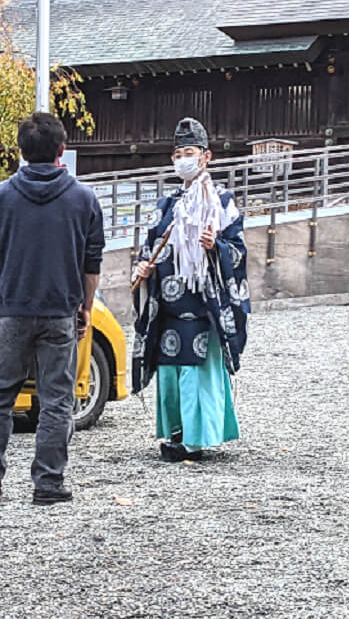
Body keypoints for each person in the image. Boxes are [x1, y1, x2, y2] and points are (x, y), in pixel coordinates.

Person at [0, 112, 105, 505]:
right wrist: (85, 305)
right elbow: (92, 260)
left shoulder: (0, 197)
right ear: (61, 150)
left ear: (21, 151)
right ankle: (48, 483)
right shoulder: (83, 198)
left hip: (13, 308)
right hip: (59, 311)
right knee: (56, 398)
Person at [131, 118, 249, 462]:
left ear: (206, 156)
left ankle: (199, 437)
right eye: (179, 153)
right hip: (167, 305)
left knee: (197, 372)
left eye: (190, 152)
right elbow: (149, 246)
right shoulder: (165, 205)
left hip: (201, 307)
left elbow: (238, 250)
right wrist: (143, 266)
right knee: (171, 374)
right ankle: (175, 433)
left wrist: (216, 248)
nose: (184, 158)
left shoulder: (222, 201)